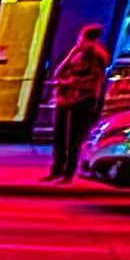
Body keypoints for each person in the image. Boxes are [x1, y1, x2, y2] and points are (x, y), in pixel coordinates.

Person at [46, 26, 112, 181]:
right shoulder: (77, 53)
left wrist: (70, 82)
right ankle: (57, 169)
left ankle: (68, 172)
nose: (80, 42)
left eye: (83, 38)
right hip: (66, 98)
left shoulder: (97, 56)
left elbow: (95, 80)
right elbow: (59, 72)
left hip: (82, 100)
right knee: (60, 136)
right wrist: (72, 53)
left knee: (73, 138)